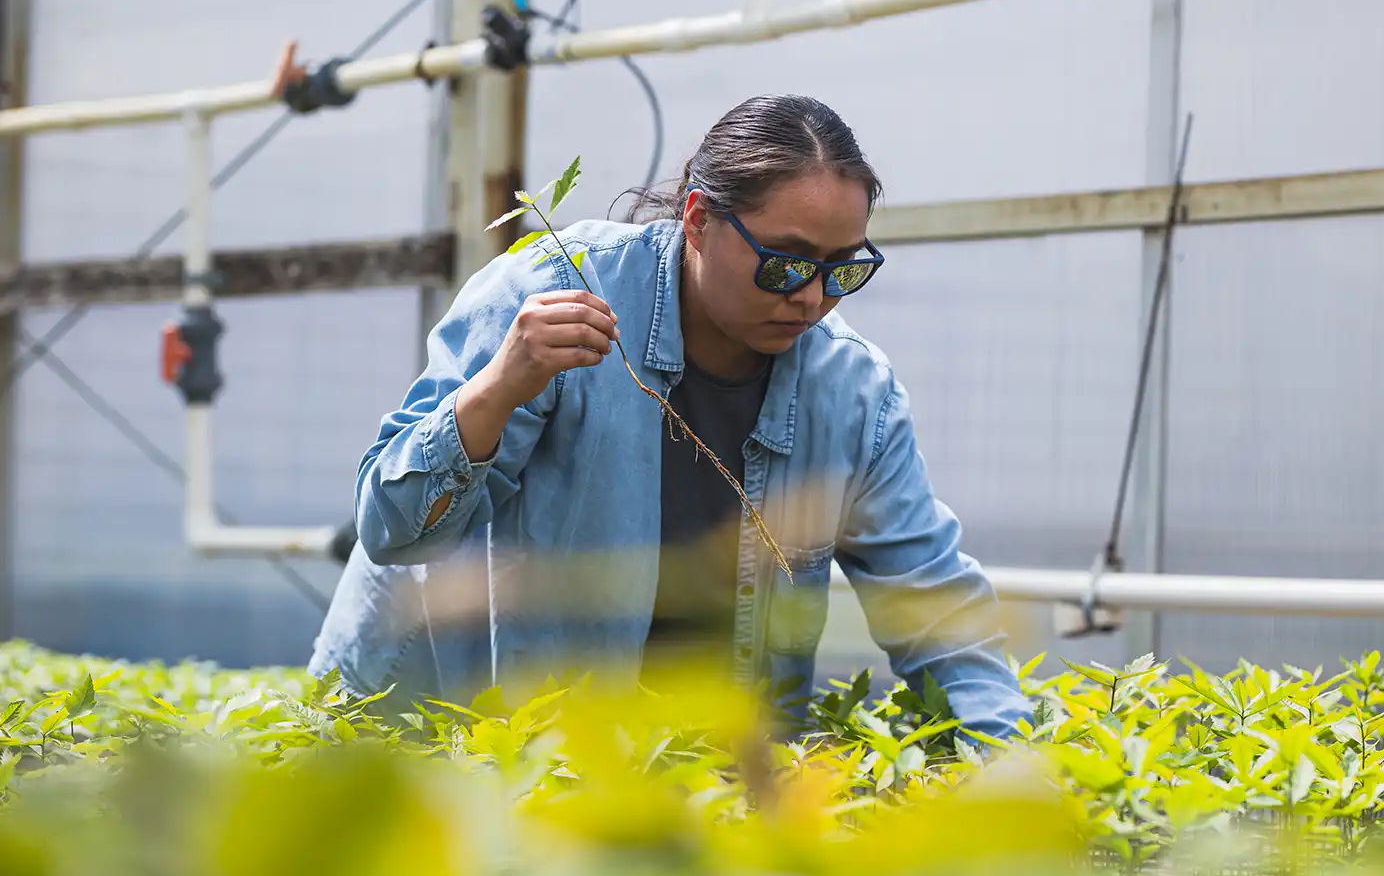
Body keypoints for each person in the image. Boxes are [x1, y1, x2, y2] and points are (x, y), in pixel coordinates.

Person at [315, 94, 1029, 740]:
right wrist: (501, 384)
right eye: (786, 263)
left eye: (843, 270)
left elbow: (935, 609)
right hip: (427, 728)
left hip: (656, 764)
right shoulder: (552, 299)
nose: (811, 298)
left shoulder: (852, 396)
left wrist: (1014, 771)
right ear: (698, 219)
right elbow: (391, 528)